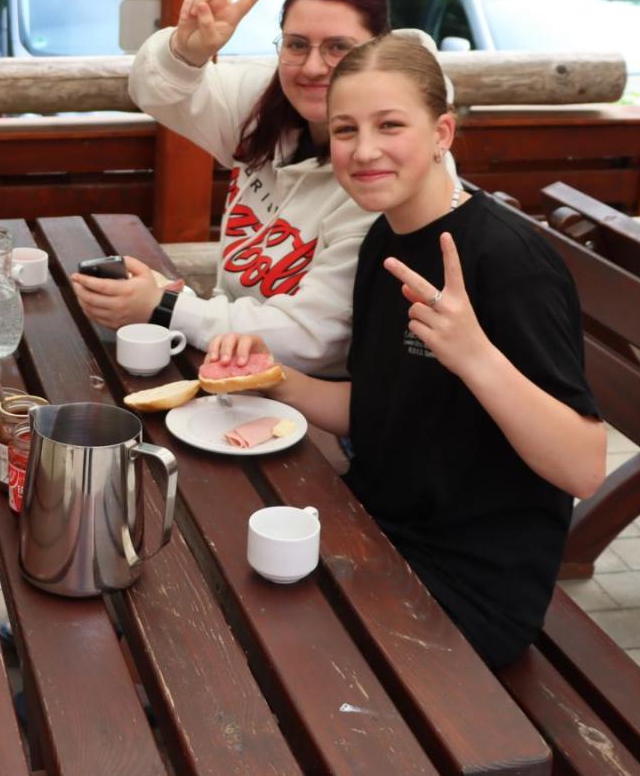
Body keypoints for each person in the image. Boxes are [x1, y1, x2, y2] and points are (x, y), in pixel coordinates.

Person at [207, 32, 606, 667]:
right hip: (373, 530)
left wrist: (475, 356)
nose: (364, 150)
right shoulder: (383, 239)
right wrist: (270, 377)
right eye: (345, 130)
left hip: (467, 586)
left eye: (389, 125)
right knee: (207, 560)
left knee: (246, 647)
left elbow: (583, 466)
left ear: (442, 132)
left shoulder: (508, 262)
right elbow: (377, 408)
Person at [72, 0, 397, 376]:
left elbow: (314, 339)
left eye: (339, 47)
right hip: (227, 364)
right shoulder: (266, 102)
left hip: (311, 395)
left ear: (380, 50)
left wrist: (166, 307)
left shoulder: (384, 168)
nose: (313, 67)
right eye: (297, 45)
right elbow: (154, 91)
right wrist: (184, 52)